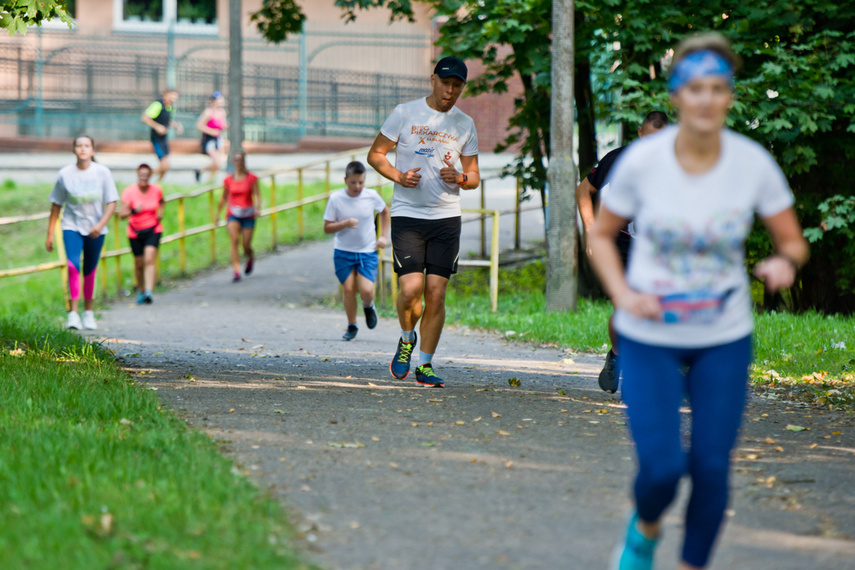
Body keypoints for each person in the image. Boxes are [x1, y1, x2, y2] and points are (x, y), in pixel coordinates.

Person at [587, 33, 809, 570]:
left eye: (717, 88)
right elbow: (602, 234)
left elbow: (793, 241)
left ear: (729, 95)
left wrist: (784, 262)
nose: (706, 99)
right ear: (676, 95)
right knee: (662, 470)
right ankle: (644, 531)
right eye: (694, 88)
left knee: (711, 467)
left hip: (722, 337)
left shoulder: (751, 163)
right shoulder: (642, 162)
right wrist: (622, 293)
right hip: (650, 335)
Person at [367, 55, 480, 388]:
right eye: (445, 83)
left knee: (436, 293)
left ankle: (425, 364)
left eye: (457, 85)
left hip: (446, 218)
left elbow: (474, 176)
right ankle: (406, 339)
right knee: (410, 290)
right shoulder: (405, 113)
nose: (450, 91)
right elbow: (375, 154)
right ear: (433, 80)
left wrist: (461, 178)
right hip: (408, 215)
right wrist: (399, 176)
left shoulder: (465, 124)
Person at [575, 111, 670, 393]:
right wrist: (591, 229)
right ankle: (617, 356)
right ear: (639, 132)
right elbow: (583, 191)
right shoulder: (616, 160)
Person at [45, 135, 119, 330]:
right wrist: (50, 234)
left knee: (90, 270)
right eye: (79, 146)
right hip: (72, 226)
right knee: (73, 266)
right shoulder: (65, 174)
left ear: (93, 150)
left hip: (96, 229)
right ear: (74, 150)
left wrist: (100, 225)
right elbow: (56, 205)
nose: (83, 149)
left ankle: (88, 313)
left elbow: (112, 202)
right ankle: (73, 314)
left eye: (87, 146)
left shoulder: (102, 172)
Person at [323, 161, 391, 341]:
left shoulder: (371, 196)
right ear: (345, 180)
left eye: (361, 182)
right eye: (353, 182)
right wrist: (344, 224)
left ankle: (368, 306)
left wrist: (383, 236)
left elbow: (385, 212)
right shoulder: (336, 198)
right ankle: (352, 325)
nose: (357, 186)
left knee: (366, 290)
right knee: (349, 289)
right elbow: (327, 228)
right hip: (343, 251)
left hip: (367, 251)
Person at [119, 163, 165, 304]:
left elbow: (162, 202)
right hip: (135, 232)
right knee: (139, 263)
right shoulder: (129, 192)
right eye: (141, 175)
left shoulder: (156, 189)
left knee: (149, 258)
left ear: (150, 176)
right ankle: (141, 290)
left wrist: (160, 213)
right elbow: (121, 214)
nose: (144, 178)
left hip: (153, 229)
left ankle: (149, 292)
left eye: (146, 175)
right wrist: (134, 211)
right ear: (137, 175)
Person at [216, 151, 259, 283]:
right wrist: (217, 214)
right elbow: (223, 198)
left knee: (246, 244)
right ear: (233, 162)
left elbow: (257, 195)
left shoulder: (251, 178)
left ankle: (250, 257)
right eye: (237, 160)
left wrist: (257, 207)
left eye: (241, 160)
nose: (239, 163)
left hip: (248, 214)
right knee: (234, 241)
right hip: (233, 214)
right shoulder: (228, 180)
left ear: (244, 162)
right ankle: (236, 271)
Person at [141, 88, 183, 182]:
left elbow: (166, 121)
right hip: (157, 139)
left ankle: (158, 183)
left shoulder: (169, 107)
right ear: (165, 94)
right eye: (172, 95)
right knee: (165, 165)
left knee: (166, 166)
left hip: (164, 139)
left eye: (176, 95)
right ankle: (144, 176)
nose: (174, 97)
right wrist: (157, 127)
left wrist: (175, 126)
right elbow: (145, 118)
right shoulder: (157, 104)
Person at [195, 92, 227, 183]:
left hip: (218, 139)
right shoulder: (208, 112)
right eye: (218, 101)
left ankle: (210, 179)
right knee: (216, 161)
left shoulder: (222, 112)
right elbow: (199, 125)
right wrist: (211, 131)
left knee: (219, 162)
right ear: (213, 101)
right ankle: (202, 172)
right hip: (209, 140)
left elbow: (223, 124)